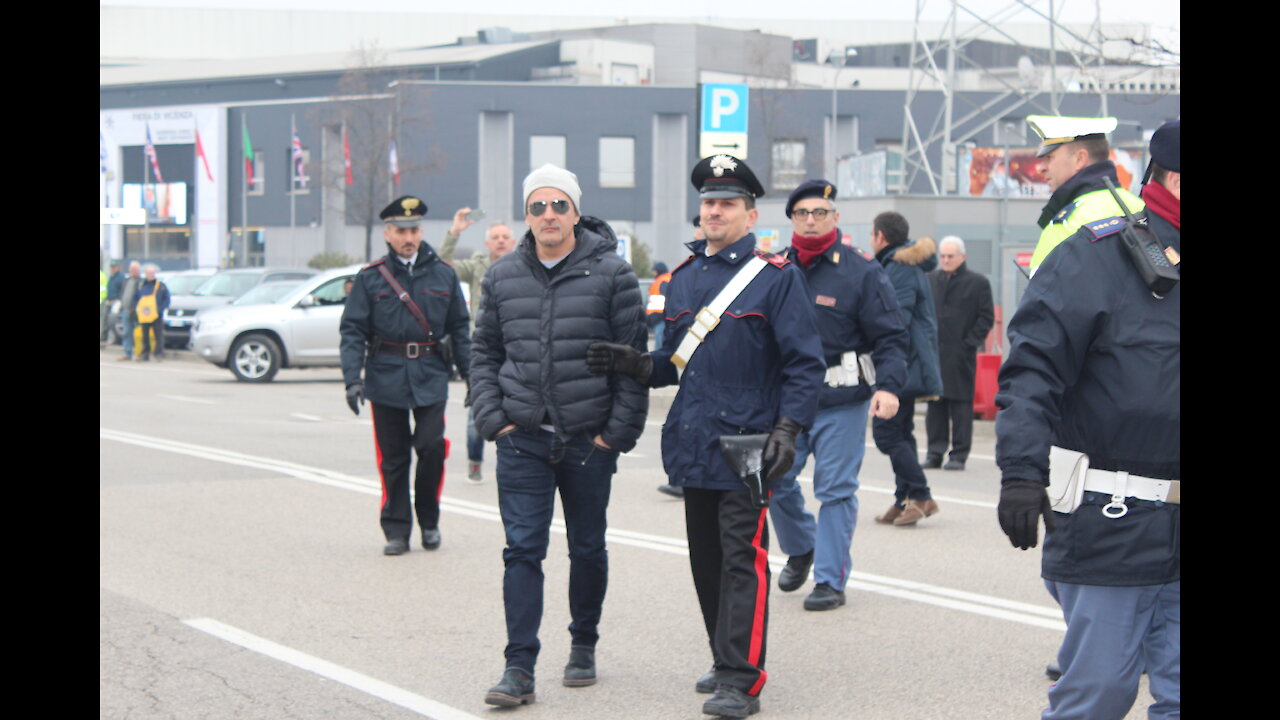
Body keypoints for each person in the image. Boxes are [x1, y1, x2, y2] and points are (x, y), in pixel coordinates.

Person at [587, 154, 825, 718]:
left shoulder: (777, 278)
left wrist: (788, 430)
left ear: (749, 213)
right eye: (708, 203)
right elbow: (674, 362)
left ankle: (742, 679)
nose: (715, 212)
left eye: (727, 204)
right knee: (707, 560)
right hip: (694, 439)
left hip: (749, 443)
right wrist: (635, 363)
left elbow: (804, 364)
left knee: (743, 558)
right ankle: (724, 659)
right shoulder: (686, 277)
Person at [994, 119, 1179, 720]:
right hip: (1114, 516)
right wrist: (1021, 471)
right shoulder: (1095, 255)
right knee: (1097, 696)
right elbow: (1032, 370)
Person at [469, 164, 648, 708]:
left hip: (587, 440)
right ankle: (518, 667)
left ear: (575, 211)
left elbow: (633, 363)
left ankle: (584, 644)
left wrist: (615, 436)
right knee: (522, 550)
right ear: (527, 215)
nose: (549, 216)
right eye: (538, 207)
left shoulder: (613, 274)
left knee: (587, 547)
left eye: (559, 206)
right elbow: (483, 353)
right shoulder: (502, 276)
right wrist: (492, 418)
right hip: (521, 437)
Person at [763, 179, 910, 612]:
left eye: (820, 213)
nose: (811, 220)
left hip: (842, 399)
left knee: (836, 490)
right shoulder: (772, 268)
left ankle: (829, 580)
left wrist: (889, 386)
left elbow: (892, 336)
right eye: (802, 213)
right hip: (788, 400)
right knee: (773, 480)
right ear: (791, 219)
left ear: (835, 218)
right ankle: (802, 546)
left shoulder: (861, 271)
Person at [339, 195, 472, 557]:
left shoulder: (443, 273)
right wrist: (353, 378)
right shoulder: (371, 278)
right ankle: (396, 529)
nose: (408, 237)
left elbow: (460, 328)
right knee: (394, 458)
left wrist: (473, 376)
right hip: (385, 377)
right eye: (401, 231)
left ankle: (429, 520)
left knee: (431, 449)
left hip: (430, 374)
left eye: (413, 230)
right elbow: (352, 331)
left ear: (421, 231)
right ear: (388, 233)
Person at [868, 212, 944, 527]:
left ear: (880, 236)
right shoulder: (901, 265)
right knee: (901, 431)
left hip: (903, 363)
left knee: (886, 432)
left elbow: (895, 321)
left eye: (872, 235)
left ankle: (921, 495)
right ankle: (904, 500)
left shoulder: (897, 268)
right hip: (908, 361)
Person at [439, 208, 518, 484]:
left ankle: (515, 462)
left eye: (505, 236)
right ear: (487, 244)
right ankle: (475, 459)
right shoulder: (477, 266)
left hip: (517, 347)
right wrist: (455, 232)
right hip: (483, 347)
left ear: (513, 241)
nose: (500, 241)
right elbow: (443, 264)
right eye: (495, 237)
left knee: (518, 406)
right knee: (478, 408)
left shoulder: (525, 266)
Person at [1024, 115, 1145, 276]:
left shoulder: (1067, 223)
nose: (1041, 168)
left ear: (1080, 159)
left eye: (1049, 157)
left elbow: (1041, 294)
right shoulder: (1139, 206)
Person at [924, 236, 995, 472]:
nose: (945, 260)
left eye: (950, 256)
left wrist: (969, 343)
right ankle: (935, 452)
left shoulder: (977, 283)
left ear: (962, 257)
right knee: (935, 406)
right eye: (942, 256)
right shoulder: (930, 280)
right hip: (934, 353)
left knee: (961, 406)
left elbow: (986, 317)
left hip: (961, 354)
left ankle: (959, 455)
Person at [133, 265, 170, 362]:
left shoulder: (160, 285)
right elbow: (135, 298)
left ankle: (159, 354)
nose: (151, 275)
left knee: (158, 335)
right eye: (149, 273)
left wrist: (160, 309)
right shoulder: (140, 285)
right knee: (145, 335)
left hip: (157, 315)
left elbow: (167, 299)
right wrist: (137, 309)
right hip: (144, 315)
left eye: (152, 273)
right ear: (145, 274)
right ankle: (145, 354)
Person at [117, 262, 141, 361]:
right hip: (126, 311)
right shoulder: (126, 281)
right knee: (127, 332)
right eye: (131, 270)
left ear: (138, 271)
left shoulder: (141, 282)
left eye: (135, 270)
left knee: (137, 333)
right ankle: (127, 353)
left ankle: (139, 353)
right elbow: (123, 293)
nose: (133, 272)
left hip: (136, 312)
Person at [105, 260, 124, 344]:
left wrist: (118, 300)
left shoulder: (120, 278)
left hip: (116, 302)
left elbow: (122, 291)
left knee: (114, 322)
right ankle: (107, 338)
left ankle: (114, 339)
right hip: (109, 302)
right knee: (107, 321)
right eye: (111, 267)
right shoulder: (111, 277)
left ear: (118, 268)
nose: (112, 269)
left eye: (114, 267)